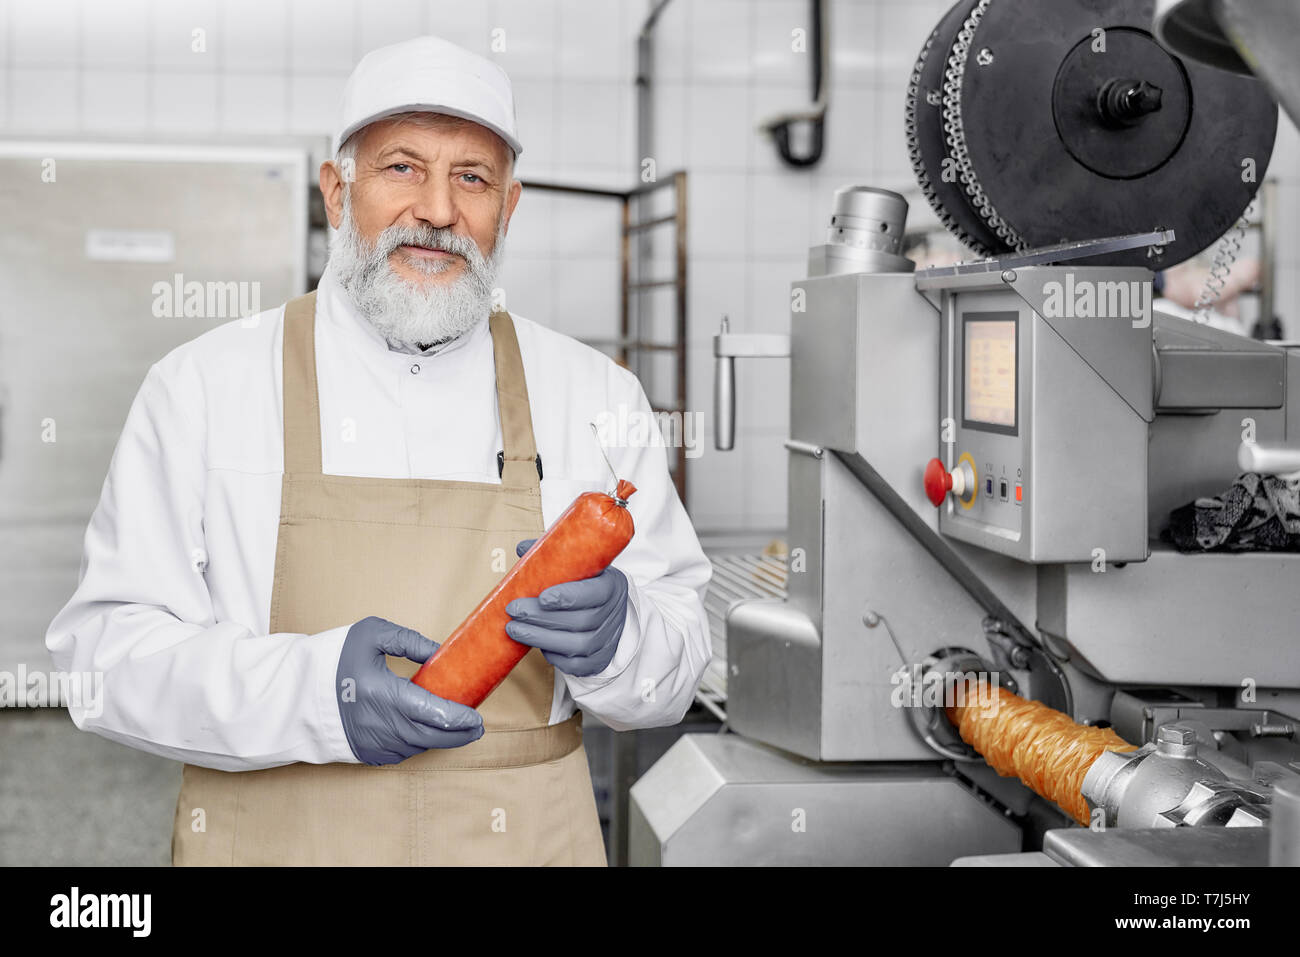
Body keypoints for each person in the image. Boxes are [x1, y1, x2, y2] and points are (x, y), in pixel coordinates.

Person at [45, 34, 713, 866]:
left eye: (471, 177)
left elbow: (679, 665)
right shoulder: (204, 388)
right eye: (402, 167)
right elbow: (102, 662)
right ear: (337, 189)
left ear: (508, 208)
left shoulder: (596, 395)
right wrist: (315, 690)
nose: (437, 210)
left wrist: (626, 638)